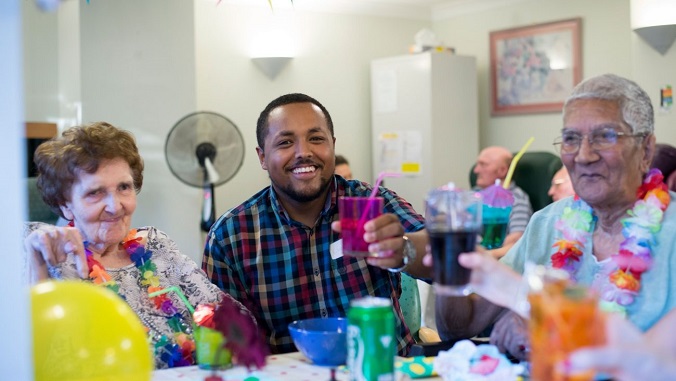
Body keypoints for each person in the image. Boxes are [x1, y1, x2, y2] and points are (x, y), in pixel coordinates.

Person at [435, 73, 676, 361]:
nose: (584, 155)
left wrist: (546, 330)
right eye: (571, 139)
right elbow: (459, 327)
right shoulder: (546, 223)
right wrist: (449, 258)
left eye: (605, 136)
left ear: (646, 150)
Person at [202, 93, 430, 356]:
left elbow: (442, 256)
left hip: (381, 370)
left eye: (316, 139)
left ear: (332, 145)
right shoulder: (231, 236)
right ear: (262, 157)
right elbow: (226, 343)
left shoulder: (370, 204)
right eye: (286, 142)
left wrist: (403, 249)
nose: (304, 152)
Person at [23, 122, 253, 369]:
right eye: (95, 193)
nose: (115, 205)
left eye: (124, 187)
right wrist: (37, 268)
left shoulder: (155, 244)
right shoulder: (43, 253)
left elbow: (237, 320)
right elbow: (32, 354)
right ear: (65, 204)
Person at [430, 251, 676, 381]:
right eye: (571, 149)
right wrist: (512, 290)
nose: (584, 157)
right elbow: (650, 360)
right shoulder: (547, 219)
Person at [473, 146, 533, 258]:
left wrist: (484, 255)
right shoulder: (475, 193)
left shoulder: (516, 199)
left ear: (502, 170)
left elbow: (517, 240)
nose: (476, 170)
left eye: (483, 164)